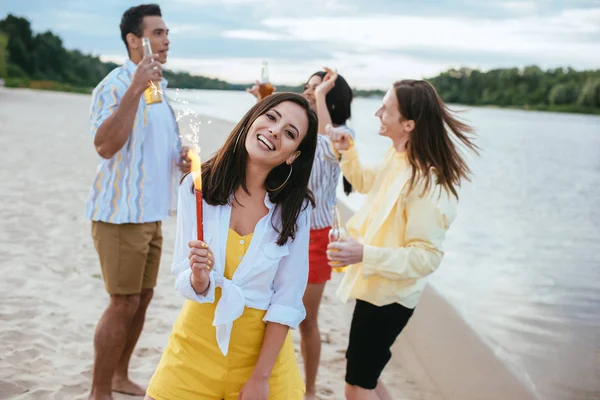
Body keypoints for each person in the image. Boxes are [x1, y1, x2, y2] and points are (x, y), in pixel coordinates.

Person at [145, 92, 319, 400]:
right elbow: (184, 276)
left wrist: (260, 379)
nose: (275, 131)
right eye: (271, 117)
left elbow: (288, 297)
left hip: (264, 361)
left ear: (293, 154)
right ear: (254, 118)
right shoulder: (197, 187)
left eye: (290, 133)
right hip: (195, 350)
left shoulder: (296, 209)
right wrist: (200, 277)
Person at [327, 79, 478, 400]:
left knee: (356, 383)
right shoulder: (398, 156)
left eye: (386, 109)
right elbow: (367, 183)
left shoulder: (428, 181)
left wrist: (363, 254)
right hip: (376, 285)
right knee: (365, 369)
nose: (377, 113)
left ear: (408, 124)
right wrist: (347, 151)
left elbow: (427, 257)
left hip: (391, 296)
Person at [84, 4, 190, 399]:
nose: (166, 40)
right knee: (122, 302)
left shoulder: (159, 91)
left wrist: (180, 157)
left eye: (166, 33)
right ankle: (99, 389)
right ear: (134, 40)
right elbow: (105, 145)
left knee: (142, 300)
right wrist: (134, 88)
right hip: (119, 214)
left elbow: (158, 149)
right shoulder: (114, 85)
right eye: (158, 32)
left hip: (152, 213)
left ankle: (118, 376)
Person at [249, 68, 354, 399]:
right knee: (264, 312)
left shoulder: (341, 134)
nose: (310, 92)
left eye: (319, 89)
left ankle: (308, 391)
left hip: (316, 237)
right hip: (280, 227)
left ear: (332, 98)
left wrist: (320, 97)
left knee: (306, 320)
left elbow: (325, 142)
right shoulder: (302, 131)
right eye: (308, 88)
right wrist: (264, 105)